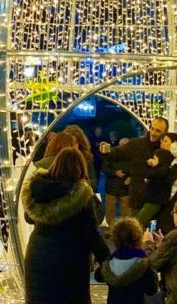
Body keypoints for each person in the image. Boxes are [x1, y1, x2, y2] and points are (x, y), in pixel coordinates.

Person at [22, 147, 110, 304]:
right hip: (70, 261)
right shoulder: (80, 195)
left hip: (38, 257)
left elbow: (29, 218)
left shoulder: (36, 189)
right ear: (80, 168)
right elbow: (92, 234)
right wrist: (109, 262)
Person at [100, 117, 167, 215]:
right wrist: (107, 150)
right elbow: (119, 153)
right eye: (152, 128)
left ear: (165, 132)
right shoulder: (136, 144)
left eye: (158, 131)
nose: (153, 133)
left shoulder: (166, 149)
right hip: (137, 198)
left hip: (157, 201)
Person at [95, 217, 158, 304]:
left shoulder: (110, 263)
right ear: (138, 238)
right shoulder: (143, 265)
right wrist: (148, 246)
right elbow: (152, 290)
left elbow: (98, 277)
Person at [135, 134, 175, 228]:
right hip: (152, 198)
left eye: (155, 158)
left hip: (155, 200)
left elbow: (152, 175)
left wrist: (154, 166)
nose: (162, 144)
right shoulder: (160, 168)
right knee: (141, 220)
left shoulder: (163, 169)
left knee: (139, 220)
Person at [103, 137, 132, 227]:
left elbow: (136, 168)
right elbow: (104, 168)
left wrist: (131, 177)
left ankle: (126, 229)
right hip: (111, 187)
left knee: (126, 212)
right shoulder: (110, 154)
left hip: (125, 188)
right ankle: (110, 229)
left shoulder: (132, 156)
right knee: (110, 211)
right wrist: (115, 173)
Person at [64, 124, 98, 191]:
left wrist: (79, 183)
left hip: (81, 195)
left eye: (76, 142)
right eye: (69, 142)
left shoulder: (88, 157)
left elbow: (94, 184)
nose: (72, 145)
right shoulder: (58, 156)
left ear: (80, 143)